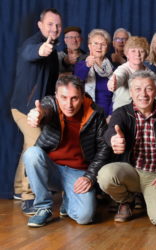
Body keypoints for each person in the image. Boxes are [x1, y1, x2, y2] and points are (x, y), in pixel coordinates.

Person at [98, 71, 156, 226]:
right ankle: (126, 200)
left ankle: (147, 197)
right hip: (131, 171)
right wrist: (113, 139)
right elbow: (110, 130)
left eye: (149, 89)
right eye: (137, 89)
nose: (143, 94)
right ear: (131, 92)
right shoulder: (122, 113)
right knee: (106, 175)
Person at [23, 75, 110, 227]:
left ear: (83, 96)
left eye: (74, 98)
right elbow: (45, 111)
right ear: (56, 96)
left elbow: (104, 148)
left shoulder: (96, 113)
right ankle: (43, 208)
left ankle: (69, 199)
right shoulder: (50, 105)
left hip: (78, 173)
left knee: (85, 217)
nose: (68, 104)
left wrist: (89, 177)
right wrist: (38, 115)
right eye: (63, 97)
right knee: (32, 154)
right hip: (51, 168)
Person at [10, 8, 63, 215]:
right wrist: (41, 50)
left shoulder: (54, 51)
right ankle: (29, 196)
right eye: (50, 24)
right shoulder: (33, 44)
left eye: (58, 25)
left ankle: (17, 189)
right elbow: (30, 52)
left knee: (28, 146)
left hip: (38, 109)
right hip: (23, 109)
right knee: (35, 147)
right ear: (40, 25)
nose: (54, 28)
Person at [75, 29, 114, 118]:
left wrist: (111, 115)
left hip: (106, 115)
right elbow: (77, 80)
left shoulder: (112, 69)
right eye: (95, 43)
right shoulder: (82, 64)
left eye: (103, 44)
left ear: (107, 48)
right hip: (86, 113)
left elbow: (116, 95)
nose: (99, 47)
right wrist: (87, 65)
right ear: (89, 46)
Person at [107, 36, 151, 111]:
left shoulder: (150, 73)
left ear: (146, 54)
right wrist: (112, 84)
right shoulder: (123, 69)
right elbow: (119, 76)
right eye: (133, 51)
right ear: (127, 54)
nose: (138, 54)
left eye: (141, 51)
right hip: (123, 113)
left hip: (143, 114)